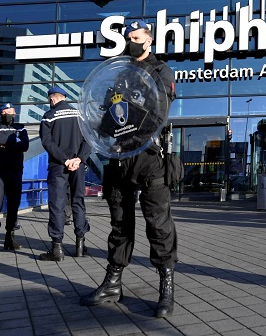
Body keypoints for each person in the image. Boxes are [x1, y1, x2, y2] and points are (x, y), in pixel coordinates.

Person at [81, 20, 179, 318]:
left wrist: (124, 117)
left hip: (149, 156)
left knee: (158, 224)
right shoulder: (121, 73)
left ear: (148, 40)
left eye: (135, 37)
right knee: (119, 223)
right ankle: (113, 283)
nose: (130, 41)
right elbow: (108, 114)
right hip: (120, 156)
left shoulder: (160, 71)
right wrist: (98, 129)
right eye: (128, 38)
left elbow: (158, 112)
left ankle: (166, 286)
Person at [39, 86, 91, 261]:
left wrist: (64, 160)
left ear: (52, 99)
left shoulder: (48, 116)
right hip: (77, 166)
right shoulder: (80, 115)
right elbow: (88, 140)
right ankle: (80, 246)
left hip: (58, 167)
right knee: (78, 201)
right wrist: (79, 159)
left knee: (57, 205)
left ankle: (57, 249)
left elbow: (47, 142)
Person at [0, 102, 30, 252]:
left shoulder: (20, 127)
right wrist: (12, 141)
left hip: (15, 170)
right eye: (11, 111)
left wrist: (5, 143)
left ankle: (10, 238)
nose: (14, 114)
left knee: (13, 206)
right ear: (3, 112)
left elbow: (24, 145)